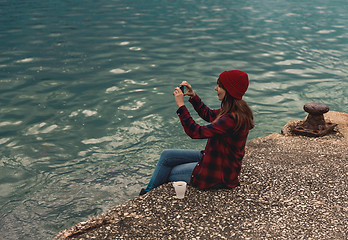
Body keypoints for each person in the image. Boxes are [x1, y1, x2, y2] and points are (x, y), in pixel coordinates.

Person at [139, 70, 254, 195]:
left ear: (229, 90)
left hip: (216, 174)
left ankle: (146, 194)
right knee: (167, 155)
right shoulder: (234, 111)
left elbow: (196, 132)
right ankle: (148, 191)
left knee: (168, 171)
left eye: (220, 86)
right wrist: (193, 96)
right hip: (213, 159)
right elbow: (209, 114)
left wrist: (181, 106)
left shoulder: (232, 118)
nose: (216, 88)